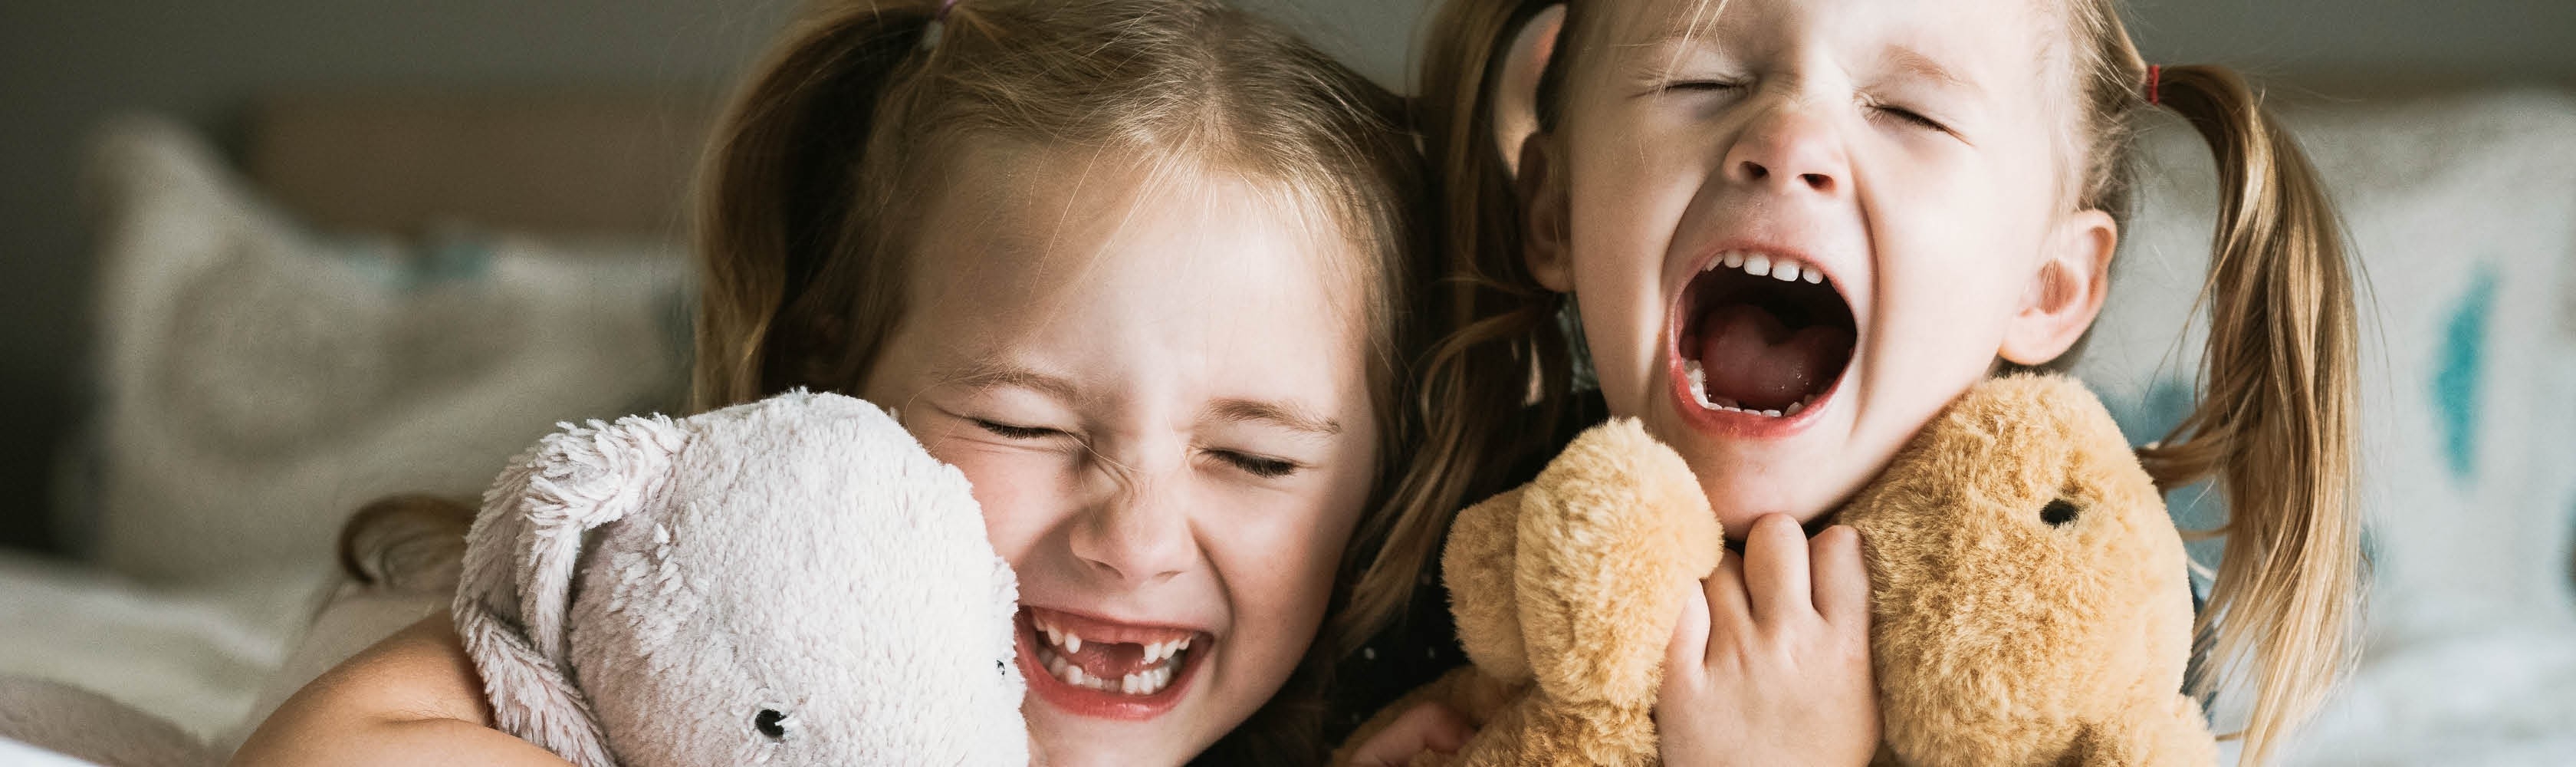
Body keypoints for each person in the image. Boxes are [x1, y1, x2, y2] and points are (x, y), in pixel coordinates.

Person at [229, 1, 1431, 764]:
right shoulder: (642, 626)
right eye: (1023, 421)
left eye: (1254, 457)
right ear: (828, 382)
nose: (1138, 540)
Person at [1339, 0, 2363, 764]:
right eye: (1706, 81)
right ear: (1554, 211)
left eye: (1908, 109)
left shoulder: (2081, 602)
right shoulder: (1447, 572)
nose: (1786, 144)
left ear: (2047, 285)